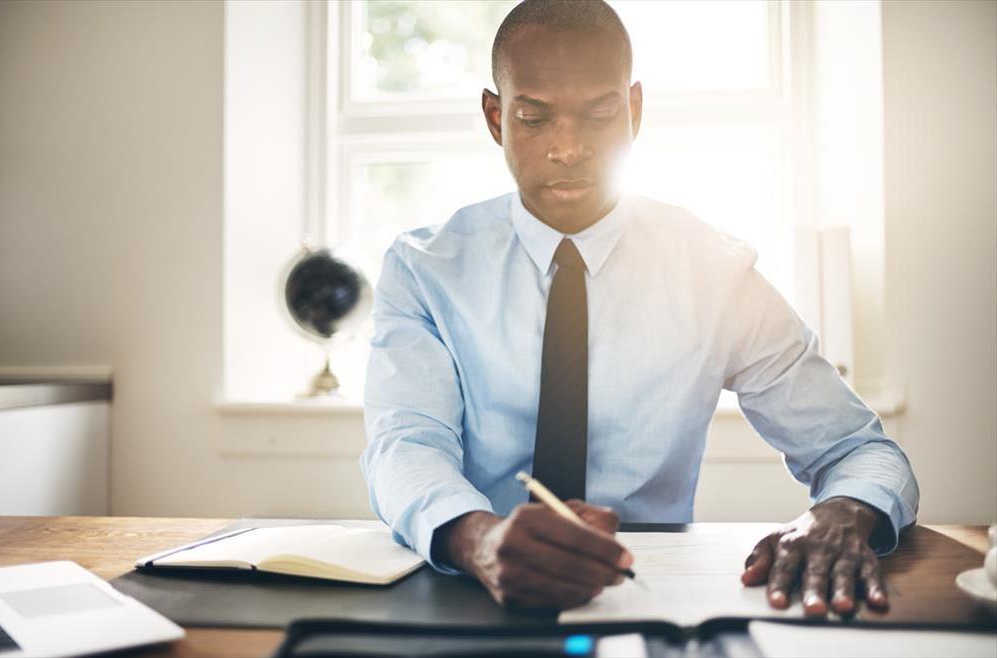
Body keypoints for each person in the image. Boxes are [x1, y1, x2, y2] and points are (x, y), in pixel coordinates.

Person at [361, 0, 919, 616]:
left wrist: (840, 512)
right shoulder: (424, 271)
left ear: (634, 111)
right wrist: (477, 538)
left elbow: (862, 452)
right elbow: (405, 444)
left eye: (599, 115)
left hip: (651, 601)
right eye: (534, 117)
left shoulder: (714, 272)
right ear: (496, 118)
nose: (569, 149)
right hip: (468, 586)